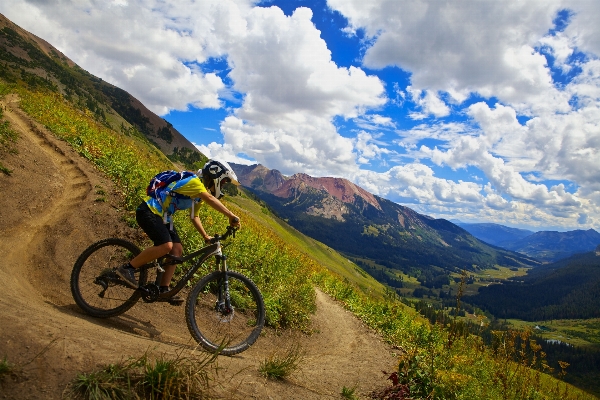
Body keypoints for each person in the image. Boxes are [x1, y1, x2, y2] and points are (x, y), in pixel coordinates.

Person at [116, 159, 241, 302]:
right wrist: (231, 215)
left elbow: (194, 216)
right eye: (224, 182)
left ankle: (164, 289)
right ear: (216, 175)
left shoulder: (199, 195)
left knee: (177, 250)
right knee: (166, 246)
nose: (223, 186)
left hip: (163, 217)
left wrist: (205, 236)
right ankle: (128, 268)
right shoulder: (195, 183)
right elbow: (210, 199)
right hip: (149, 210)